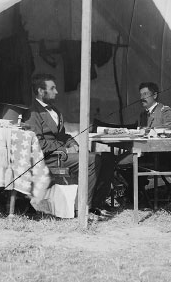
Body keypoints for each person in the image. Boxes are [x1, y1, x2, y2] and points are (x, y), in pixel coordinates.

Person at [25, 73, 115, 216]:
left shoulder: (55, 111)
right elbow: (38, 143)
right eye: (52, 88)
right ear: (41, 91)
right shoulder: (32, 113)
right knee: (93, 160)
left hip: (61, 154)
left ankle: (97, 203)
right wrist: (65, 149)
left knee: (109, 158)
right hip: (49, 158)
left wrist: (73, 144)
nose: (57, 92)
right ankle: (82, 207)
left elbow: (63, 135)